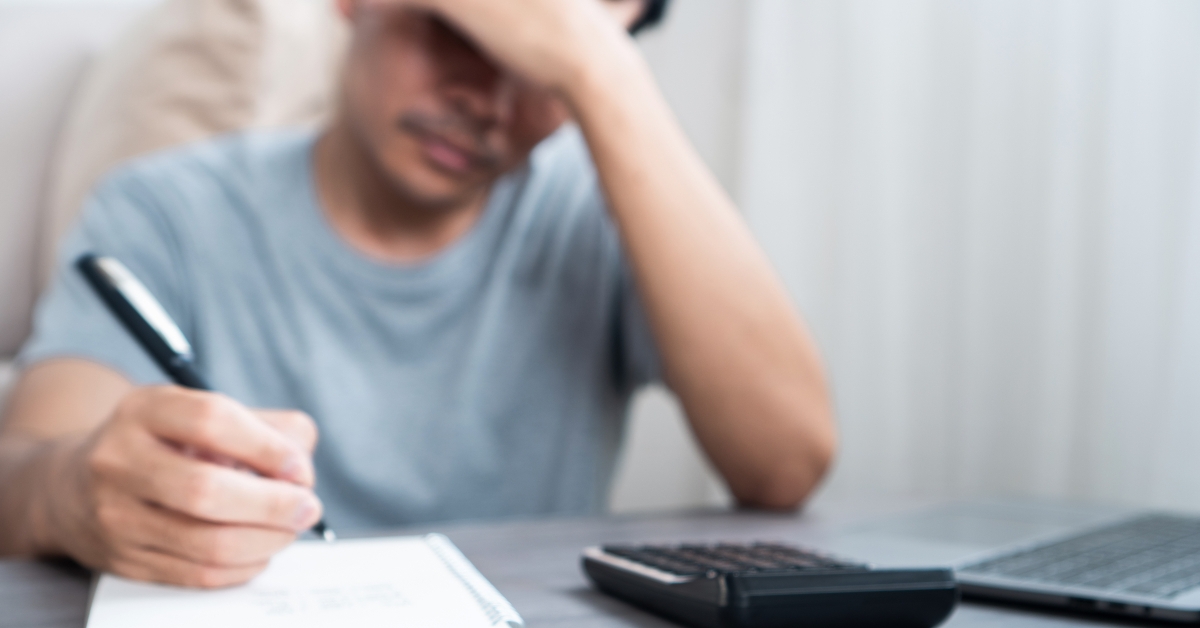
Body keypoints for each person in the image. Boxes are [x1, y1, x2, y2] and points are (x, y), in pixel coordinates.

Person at [0, 0, 836, 588]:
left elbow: (786, 464)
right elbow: (23, 470)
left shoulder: (607, 219)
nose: (488, 102)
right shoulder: (165, 210)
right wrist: (77, 493)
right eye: (457, 30)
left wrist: (600, 68)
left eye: (544, 65)